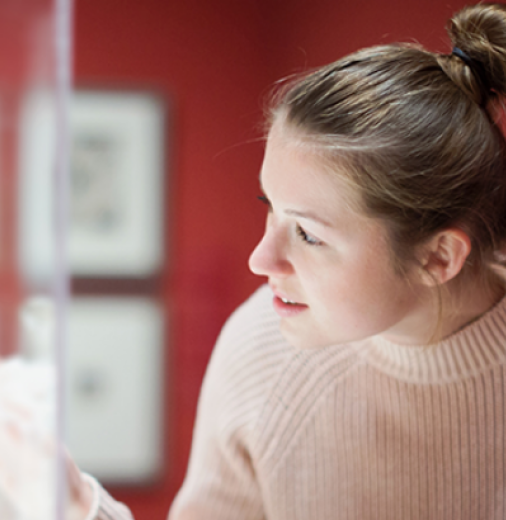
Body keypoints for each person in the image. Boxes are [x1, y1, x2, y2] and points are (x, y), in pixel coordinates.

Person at [85, 2, 506, 519]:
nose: (260, 261)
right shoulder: (259, 345)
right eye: (270, 209)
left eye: (307, 233)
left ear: (439, 257)